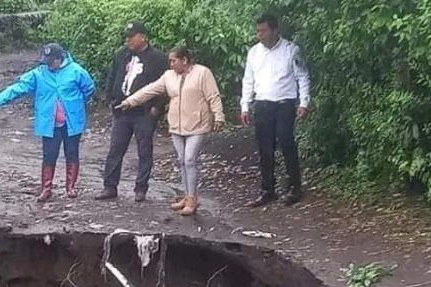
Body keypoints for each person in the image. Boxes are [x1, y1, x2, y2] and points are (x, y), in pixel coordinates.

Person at [117, 46, 225, 216]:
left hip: (198, 123)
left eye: (174, 61)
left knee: (190, 159)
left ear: (185, 60)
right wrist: (130, 101)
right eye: (170, 61)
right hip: (177, 124)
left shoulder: (202, 73)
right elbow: (150, 90)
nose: (171, 64)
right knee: (182, 160)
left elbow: (213, 95)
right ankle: (186, 195)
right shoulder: (169, 76)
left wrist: (219, 116)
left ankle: (192, 198)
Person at [0, 43, 96, 202]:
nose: (48, 64)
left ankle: (70, 187)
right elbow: (19, 87)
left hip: (72, 121)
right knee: (49, 155)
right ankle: (46, 188)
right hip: (49, 122)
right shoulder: (39, 74)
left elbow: (89, 89)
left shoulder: (76, 71)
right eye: (46, 61)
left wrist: (76, 104)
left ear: (60, 59)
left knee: (72, 153)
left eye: (51, 61)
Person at [240, 13, 311, 207]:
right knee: (265, 148)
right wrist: (245, 105)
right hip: (262, 104)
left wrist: (304, 102)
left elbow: (302, 76)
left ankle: (294, 187)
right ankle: (267, 190)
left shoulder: (290, 50)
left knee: (287, 143)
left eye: (263, 31)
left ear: (274, 30)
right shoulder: (254, 52)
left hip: (284, 104)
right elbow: (248, 80)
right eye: (258, 31)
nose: (259, 35)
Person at [95, 21, 167, 202]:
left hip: (144, 112)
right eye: (127, 36)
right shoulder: (122, 54)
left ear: (143, 37)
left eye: (132, 36)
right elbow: (112, 76)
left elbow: (165, 84)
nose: (128, 40)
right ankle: (110, 186)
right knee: (115, 149)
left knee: (144, 150)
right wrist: (110, 97)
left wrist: (157, 107)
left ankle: (141, 188)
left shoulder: (157, 58)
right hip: (121, 110)